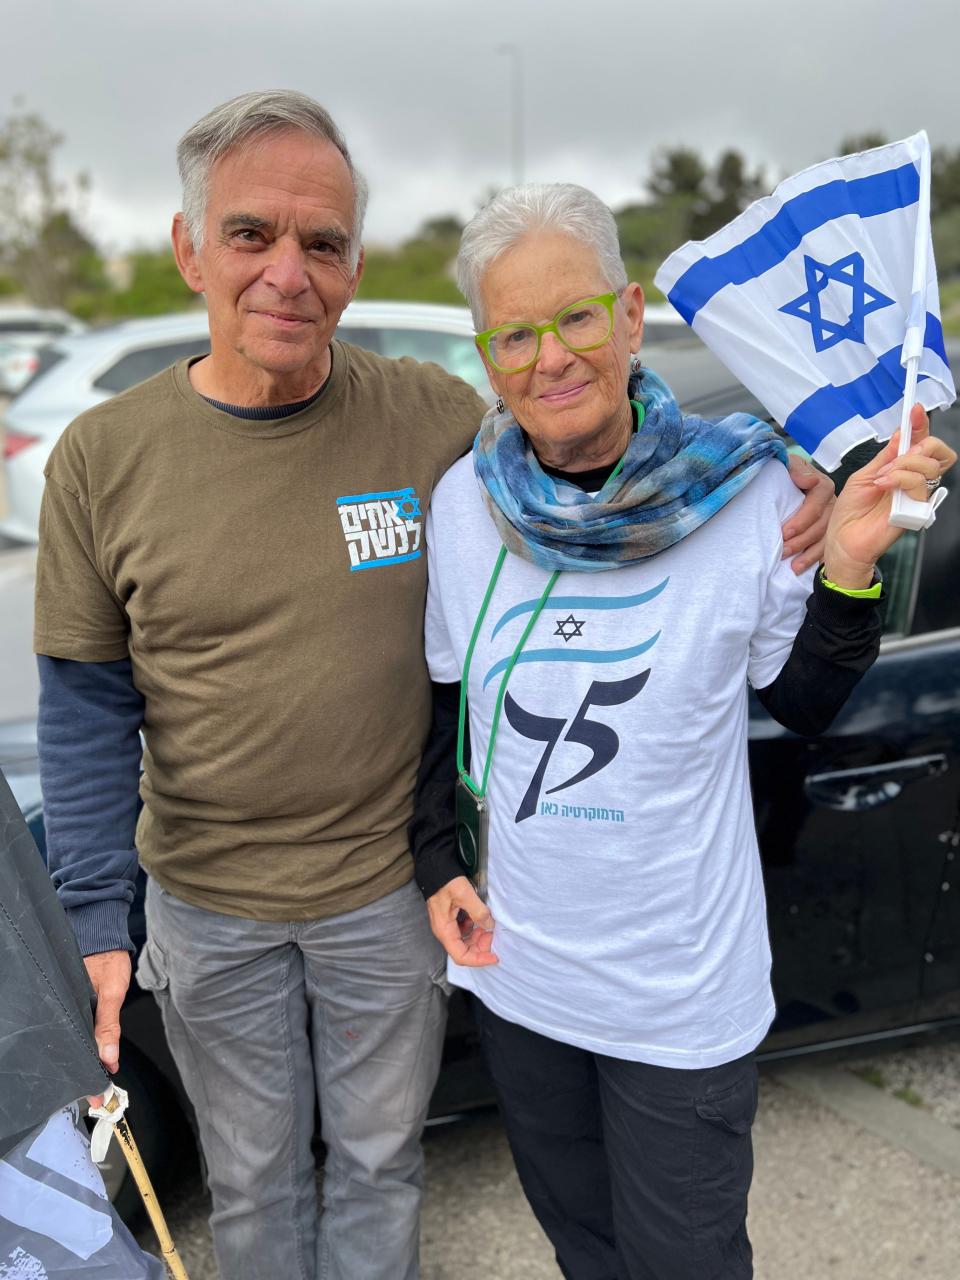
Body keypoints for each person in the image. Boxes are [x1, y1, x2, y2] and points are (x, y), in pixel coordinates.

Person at [34, 95, 832, 1280]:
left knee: (379, 1164)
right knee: (251, 1182)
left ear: (355, 265)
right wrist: (98, 912)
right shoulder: (103, 455)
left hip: (383, 896)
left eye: (324, 244)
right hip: (208, 902)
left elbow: (588, 455)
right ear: (190, 247)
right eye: (252, 235)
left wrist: (793, 460)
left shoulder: (434, 424)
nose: (288, 274)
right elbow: (86, 698)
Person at [417, 183, 956, 1280]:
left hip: (677, 1003)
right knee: (585, 1248)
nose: (549, 357)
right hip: (522, 987)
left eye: (573, 317)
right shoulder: (465, 502)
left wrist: (850, 567)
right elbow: (443, 703)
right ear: (487, 354)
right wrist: (435, 857)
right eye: (513, 333)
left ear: (625, 317)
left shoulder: (751, 488)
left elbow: (803, 702)